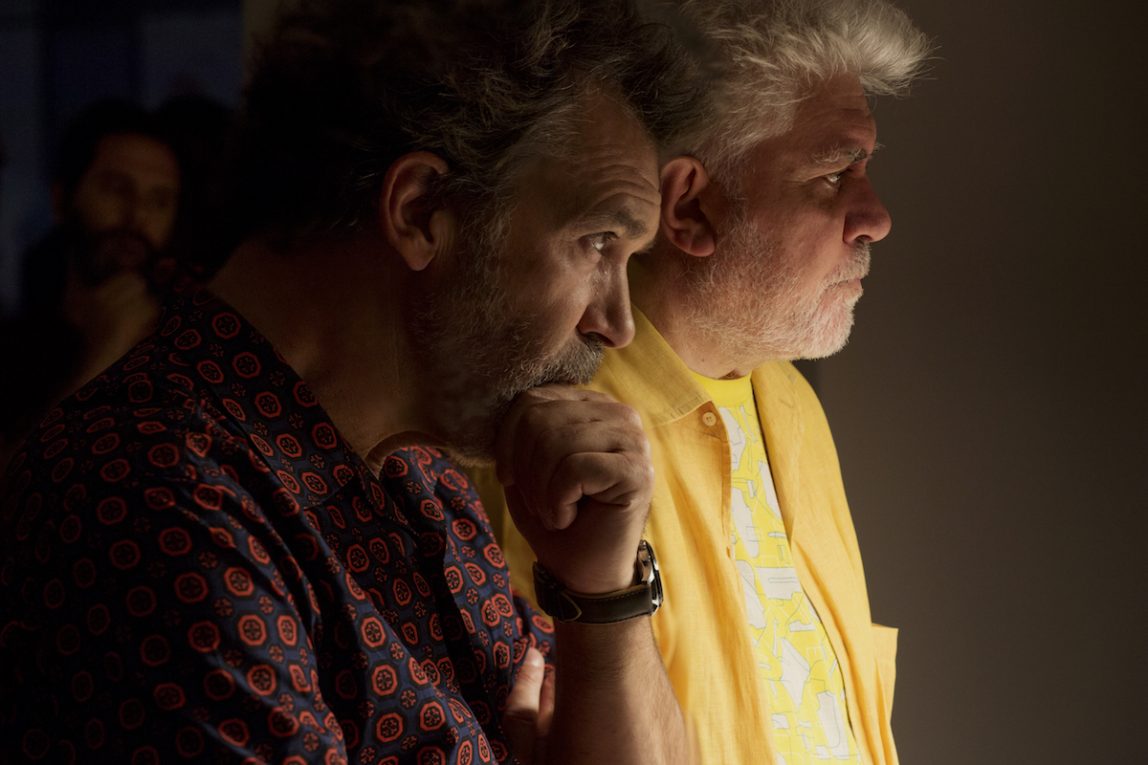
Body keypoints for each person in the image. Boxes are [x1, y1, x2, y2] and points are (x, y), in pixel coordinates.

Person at [0, 1, 704, 762]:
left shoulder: (422, 477)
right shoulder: (154, 486)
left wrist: (603, 595)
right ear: (422, 210)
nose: (616, 323)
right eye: (598, 242)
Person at [485, 0, 931, 762]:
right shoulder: (549, 442)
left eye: (865, 168)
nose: (876, 217)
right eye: (834, 174)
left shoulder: (792, 404)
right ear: (691, 207)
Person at [0, 99, 181, 469]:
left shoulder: (186, 357)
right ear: (61, 200)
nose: (137, 217)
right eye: (116, 189)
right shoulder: (11, 354)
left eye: (159, 201)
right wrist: (101, 358)